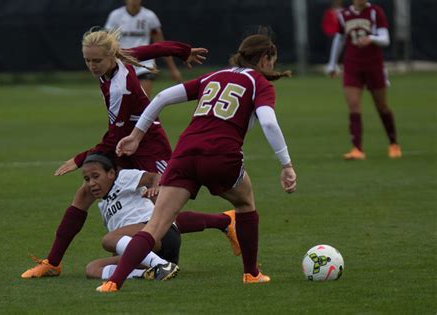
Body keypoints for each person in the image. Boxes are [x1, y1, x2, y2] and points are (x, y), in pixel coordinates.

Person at [96, 34, 298, 292]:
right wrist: (286, 164)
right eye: (272, 60)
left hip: (184, 154)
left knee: (156, 225)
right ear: (265, 59)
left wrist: (136, 136)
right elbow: (268, 122)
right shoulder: (259, 83)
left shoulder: (213, 76)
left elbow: (161, 98)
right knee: (245, 204)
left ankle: (113, 282)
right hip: (221, 156)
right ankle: (251, 273)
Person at [21, 29, 208, 278]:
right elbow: (154, 49)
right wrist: (184, 50)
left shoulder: (121, 87)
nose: (91, 66)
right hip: (127, 142)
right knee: (88, 189)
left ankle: (219, 225)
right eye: (87, 60)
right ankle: (53, 262)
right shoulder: (117, 59)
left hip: (151, 148)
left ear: (110, 56)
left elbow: (113, 138)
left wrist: (79, 159)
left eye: (96, 60)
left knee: (163, 206)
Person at [79, 154, 240, 281]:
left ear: (111, 173)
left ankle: (160, 265)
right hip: (150, 252)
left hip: (158, 235)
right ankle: (149, 273)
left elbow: (154, 176)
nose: (91, 183)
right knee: (92, 269)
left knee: (108, 240)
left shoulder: (123, 178)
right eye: (87, 179)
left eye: (96, 176)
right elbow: (122, 244)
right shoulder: (104, 206)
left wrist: (156, 188)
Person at [326, 0, 402, 160]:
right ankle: (357, 149)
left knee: (382, 106)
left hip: (374, 65)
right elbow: (339, 39)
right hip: (352, 65)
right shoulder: (344, 15)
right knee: (353, 105)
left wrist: (371, 38)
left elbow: (385, 38)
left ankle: (394, 144)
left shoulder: (375, 12)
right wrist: (333, 64)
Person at [105, 0, 183, 97]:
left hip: (144, 63)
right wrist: (107, 68)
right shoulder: (115, 16)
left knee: (143, 101)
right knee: (124, 104)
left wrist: (173, 69)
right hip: (122, 63)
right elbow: (108, 43)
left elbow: (161, 45)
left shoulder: (150, 16)